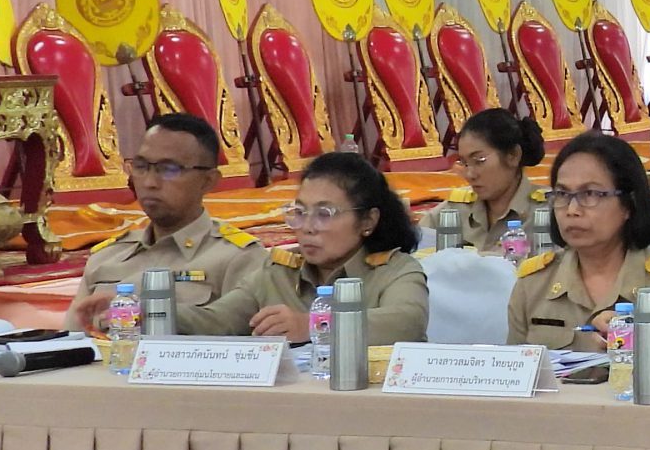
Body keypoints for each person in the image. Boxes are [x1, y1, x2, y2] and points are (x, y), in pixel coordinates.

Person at [189, 152, 431, 343]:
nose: (307, 227)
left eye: (324, 214)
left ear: (368, 221)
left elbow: (406, 322)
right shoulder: (279, 272)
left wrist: (313, 325)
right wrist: (166, 311)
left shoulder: (395, 270)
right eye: (300, 212)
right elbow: (217, 320)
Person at [66, 113, 267, 330]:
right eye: (141, 166)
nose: (150, 182)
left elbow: (249, 337)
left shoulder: (238, 258)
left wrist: (155, 315)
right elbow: (71, 338)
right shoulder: (106, 257)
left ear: (208, 181)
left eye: (169, 169)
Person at [508, 132, 650, 349]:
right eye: (562, 194)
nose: (572, 210)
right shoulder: (533, 284)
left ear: (628, 205)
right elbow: (516, 366)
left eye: (590, 194)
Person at [439, 107, 548, 256]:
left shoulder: (548, 213)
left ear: (513, 155)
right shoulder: (454, 209)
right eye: (464, 163)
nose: (469, 174)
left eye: (479, 160)